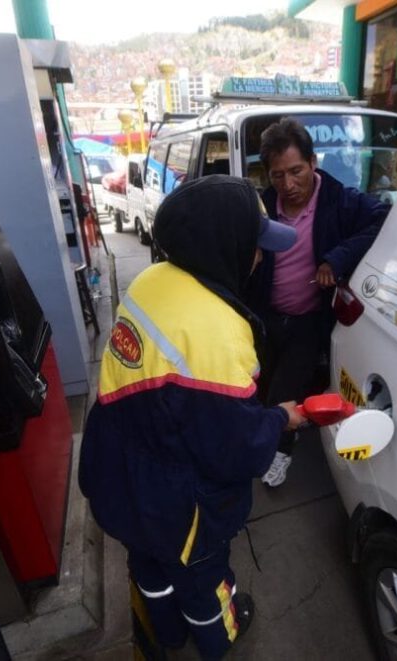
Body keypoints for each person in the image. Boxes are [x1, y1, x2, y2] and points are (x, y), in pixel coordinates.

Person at [78, 175, 305, 659]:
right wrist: (282, 419)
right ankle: (216, 638)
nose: (260, 257)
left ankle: (167, 632)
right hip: (178, 505)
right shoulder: (216, 331)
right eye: (255, 245)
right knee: (204, 582)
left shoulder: (152, 279)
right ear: (223, 243)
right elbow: (236, 447)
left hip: (119, 474)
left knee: (148, 570)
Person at [247, 117, 390, 487]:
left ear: (313, 162)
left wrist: (337, 259)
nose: (289, 184)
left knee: (285, 393)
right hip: (265, 318)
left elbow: (382, 220)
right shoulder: (261, 206)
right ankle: (263, 443)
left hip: (309, 321)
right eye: (278, 175)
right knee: (259, 389)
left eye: (296, 171)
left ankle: (278, 457)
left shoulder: (341, 201)